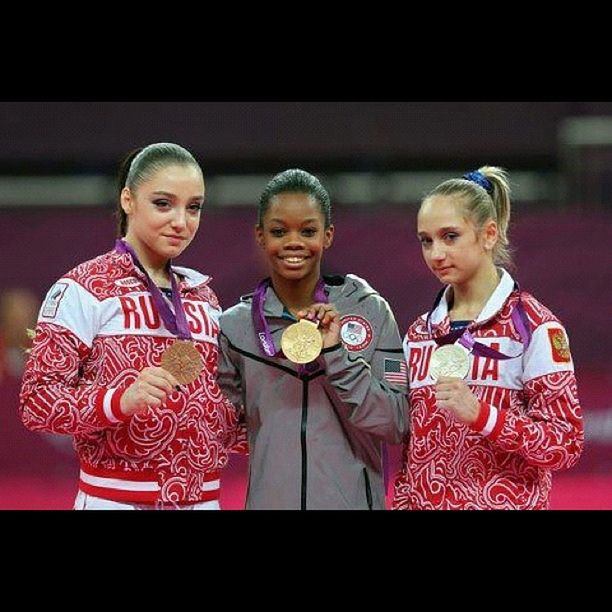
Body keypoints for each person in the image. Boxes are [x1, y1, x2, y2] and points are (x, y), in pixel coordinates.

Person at [19, 142, 240, 510]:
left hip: (205, 500)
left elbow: (221, 418)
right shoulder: (84, 288)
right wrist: (119, 400)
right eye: (163, 203)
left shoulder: (205, 299)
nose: (181, 222)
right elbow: (38, 403)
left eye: (194, 207)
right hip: (116, 500)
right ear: (128, 200)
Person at [392, 166, 584, 510]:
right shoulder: (418, 335)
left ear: (489, 234)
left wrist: (484, 415)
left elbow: (565, 443)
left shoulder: (535, 328)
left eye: (450, 236)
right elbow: (411, 453)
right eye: (426, 240)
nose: (436, 253)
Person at [216, 168, 409, 509]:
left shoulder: (371, 312)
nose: (293, 242)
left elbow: (396, 422)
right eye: (279, 231)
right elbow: (222, 429)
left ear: (328, 235)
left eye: (308, 230)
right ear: (260, 236)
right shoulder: (235, 329)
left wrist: (335, 353)